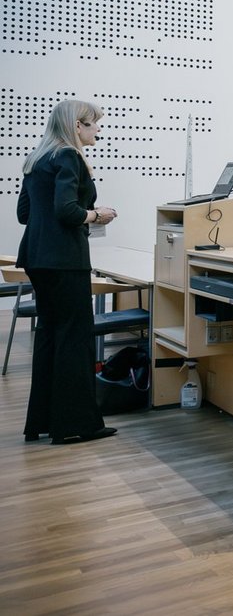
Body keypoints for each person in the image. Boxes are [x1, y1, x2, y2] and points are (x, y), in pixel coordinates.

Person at [16, 99, 119, 444]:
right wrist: (97, 215)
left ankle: (42, 422)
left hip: (36, 257)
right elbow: (67, 211)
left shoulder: (37, 159)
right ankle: (76, 425)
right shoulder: (69, 156)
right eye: (93, 124)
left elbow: (24, 213)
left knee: (49, 335)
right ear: (77, 125)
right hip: (65, 259)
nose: (98, 130)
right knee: (75, 338)